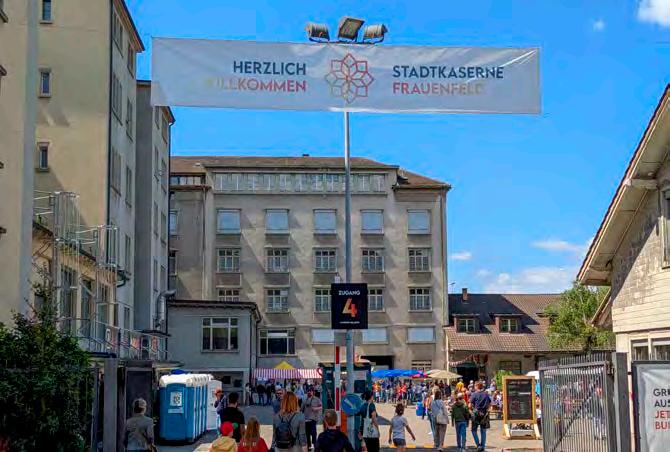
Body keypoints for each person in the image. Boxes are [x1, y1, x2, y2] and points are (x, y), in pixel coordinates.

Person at [469, 382, 491, 452]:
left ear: (477, 386)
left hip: (476, 414)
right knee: (483, 431)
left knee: (473, 430)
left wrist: (472, 410)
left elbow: (470, 405)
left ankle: (478, 445)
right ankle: (483, 446)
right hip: (484, 414)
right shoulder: (486, 394)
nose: (474, 387)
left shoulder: (474, 394)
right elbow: (489, 404)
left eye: (475, 386)